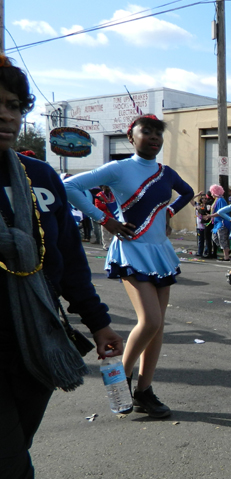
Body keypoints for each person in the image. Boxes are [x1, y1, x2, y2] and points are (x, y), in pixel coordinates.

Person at [0, 55, 124, 479]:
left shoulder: (39, 176)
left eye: (12, 106)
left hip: (35, 352)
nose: (6, 115)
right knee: (11, 477)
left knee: (10, 466)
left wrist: (98, 322)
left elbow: (70, 262)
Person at [65, 114, 194, 418]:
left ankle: (144, 391)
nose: (153, 137)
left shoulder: (166, 172)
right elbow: (69, 186)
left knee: (158, 326)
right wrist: (105, 220)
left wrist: (168, 214)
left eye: (157, 134)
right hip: (132, 249)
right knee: (149, 321)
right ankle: (120, 380)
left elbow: (187, 192)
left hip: (160, 251)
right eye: (146, 132)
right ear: (131, 137)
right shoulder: (119, 168)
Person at [209, 184, 230, 261]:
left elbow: (222, 212)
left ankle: (226, 256)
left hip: (222, 222)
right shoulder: (216, 200)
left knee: (222, 239)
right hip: (216, 223)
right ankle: (226, 250)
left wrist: (210, 216)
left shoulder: (221, 200)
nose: (211, 193)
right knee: (214, 238)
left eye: (212, 192)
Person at [94, 185, 118, 251]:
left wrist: (109, 204)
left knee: (113, 232)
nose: (108, 189)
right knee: (105, 232)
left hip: (113, 215)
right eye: (106, 187)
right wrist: (108, 205)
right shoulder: (99, 195)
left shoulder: (112, 194)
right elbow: (99, 206)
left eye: (109, 187)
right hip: (104, 216)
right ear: (103, 188)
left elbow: (115, 203)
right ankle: (106, 245)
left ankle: (113, 245)